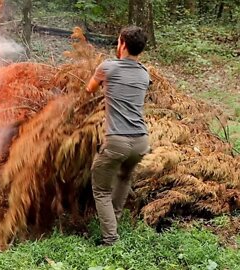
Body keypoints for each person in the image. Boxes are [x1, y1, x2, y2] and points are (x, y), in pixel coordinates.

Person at [86, 26, 151, 246]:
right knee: (124, 177)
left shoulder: (108, 67)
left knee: (101, 189)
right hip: (141, 141)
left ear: (122, 43)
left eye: (118, 41)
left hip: (117, 141)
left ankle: (110, 239)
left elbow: (89, 89)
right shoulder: (144, 73)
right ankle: (114, 218)